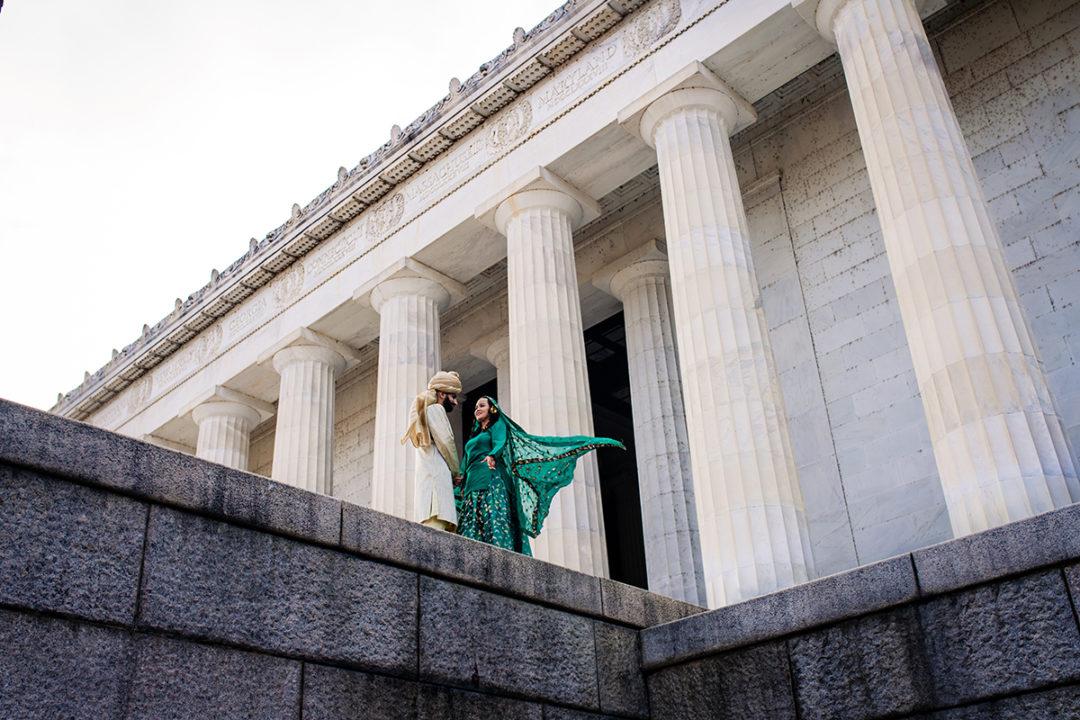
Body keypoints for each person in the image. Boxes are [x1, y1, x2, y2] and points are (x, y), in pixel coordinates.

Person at [456, 396, 623, 555]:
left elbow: (500, 441)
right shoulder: (476, 435)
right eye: (476, 407)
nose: (477, 409)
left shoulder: (497, 426)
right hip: (472, 481)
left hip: (489, 478)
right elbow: (467, 459)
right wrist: (461, 478)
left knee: (492, 516)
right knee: (472, 520)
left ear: (492, 409)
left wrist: (493, 454)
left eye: (482, 406)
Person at [402, 371, 463, 532]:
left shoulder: (424, 412)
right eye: (453, 396)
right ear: (442, 394)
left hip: (428, 478)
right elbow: (447, 442)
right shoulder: (435, 409)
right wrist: (456, 472)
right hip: (436, 479)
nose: (456, 402)